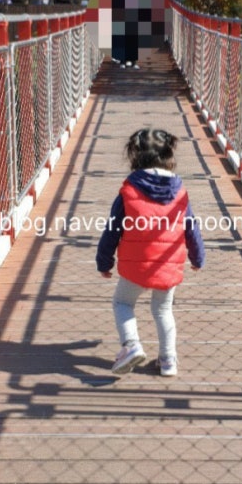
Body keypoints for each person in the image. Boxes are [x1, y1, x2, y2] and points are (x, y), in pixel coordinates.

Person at [96, 127, 205, 377]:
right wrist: (197, 257)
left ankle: (131, 345)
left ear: (135, 156)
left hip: (136, 267)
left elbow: (112, 230)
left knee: (122, 302)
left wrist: (104, 262)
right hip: (168, 266)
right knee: (163, 310)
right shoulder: (180, 192)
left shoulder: (128, 191)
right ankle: (168, 360)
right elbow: (192, 228)